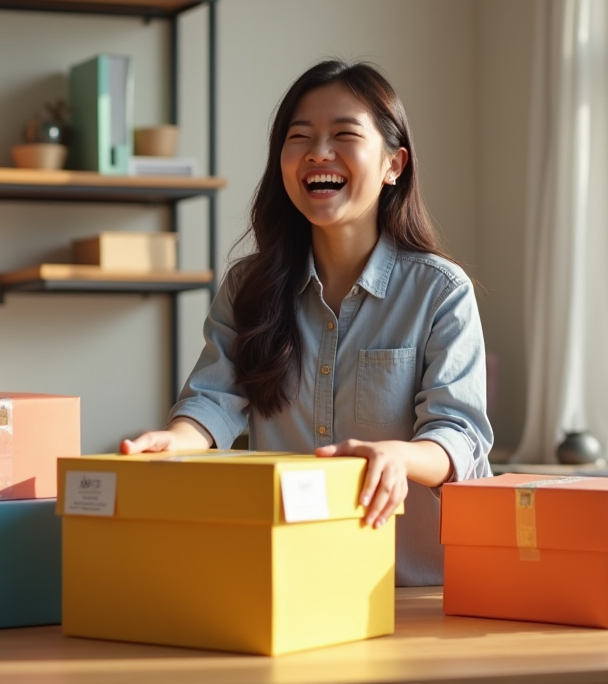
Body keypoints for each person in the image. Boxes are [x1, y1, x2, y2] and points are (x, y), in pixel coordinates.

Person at [121, 58, 493, 586]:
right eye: (300, 137)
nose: (319, 152)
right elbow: (214, 400)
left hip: (418, 590)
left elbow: (460, 437)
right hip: (297, 585)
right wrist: (176, 440)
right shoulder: (247, 287)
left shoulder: (440, 291)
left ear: (395, 164)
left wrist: (397, 457)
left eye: (344, 134)